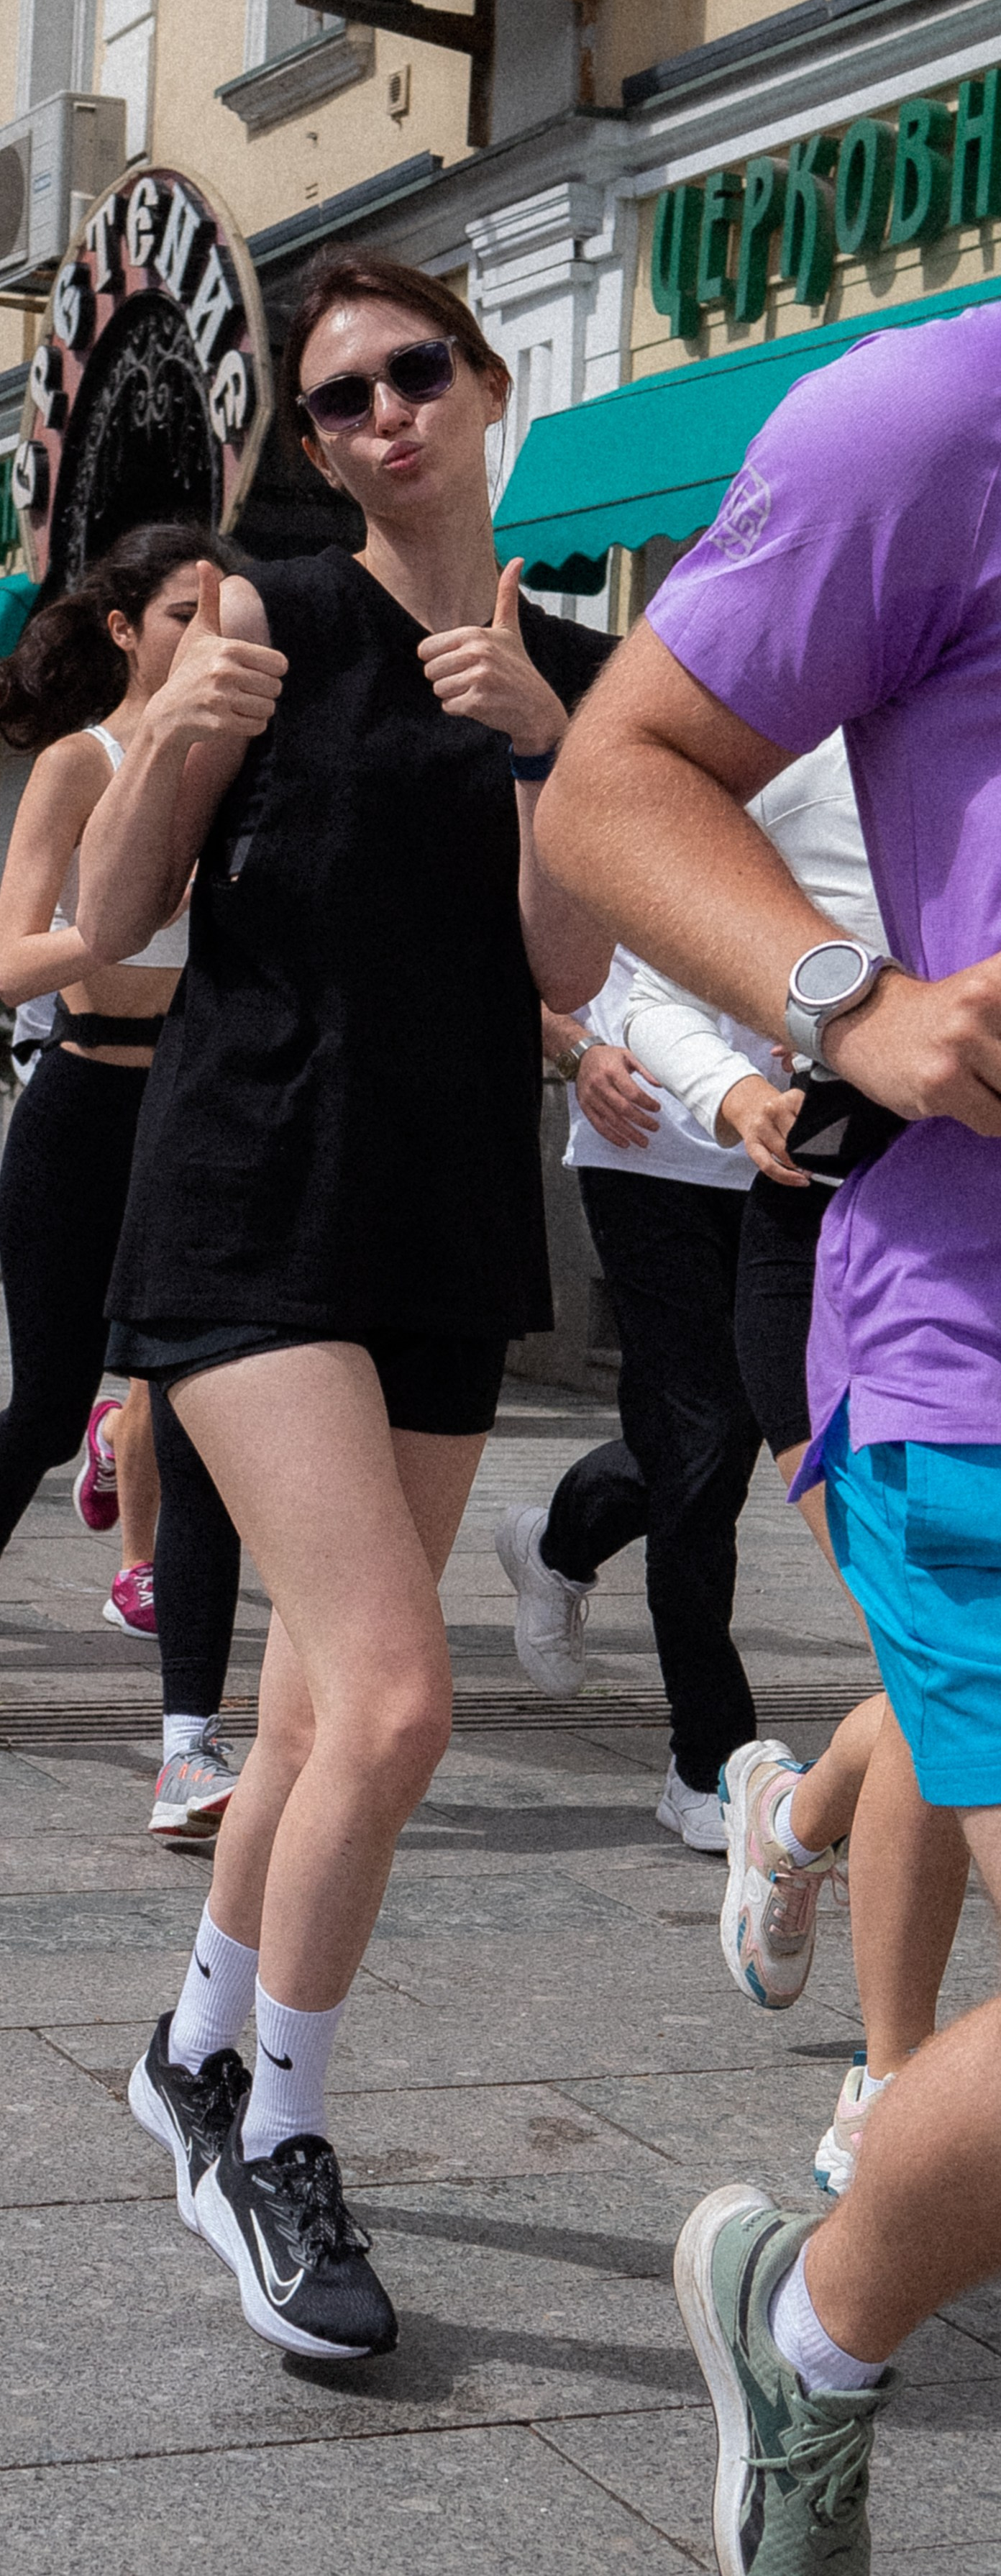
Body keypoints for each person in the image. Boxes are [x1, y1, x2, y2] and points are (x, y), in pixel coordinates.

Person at [78, 251, 613, 2359]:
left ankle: (191, 2046)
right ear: (310, 445)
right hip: (241, 1201)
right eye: (336, 402)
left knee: (313, 1710)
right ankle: (268, 2136)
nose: (381, 416)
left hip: (441, 1218)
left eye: (413, 376)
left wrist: (558, 751)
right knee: (393, 1698)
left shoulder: (563, 664)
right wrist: (159, 752)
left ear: (484, 388)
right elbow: (113, 928)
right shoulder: (266, 622)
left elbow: (566, 973)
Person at [540, 300, 1001, 2573]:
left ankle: (803, 2324)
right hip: (964, 1345)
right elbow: (610, 781)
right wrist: (849, 1005)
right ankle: (812, 2302)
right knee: (686, 1464)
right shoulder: (933, 414)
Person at [621, 734, 970, 2201]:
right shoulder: (804, 724)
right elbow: (639, 965)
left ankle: (799, 1813)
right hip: (847, 1234)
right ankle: (890, 2080)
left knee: (945, 1681)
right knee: (948, 1673)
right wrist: (730, 1094)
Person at [0, 524, 245, 1832]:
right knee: (53, 1407)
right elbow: (8, 971)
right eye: (185, 615)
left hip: (206, 1111)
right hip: (80, 1103)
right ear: (126, 629)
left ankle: (189, 1743)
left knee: (199, 1418)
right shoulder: (80, 758)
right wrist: (108, 930)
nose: (209, 637)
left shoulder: (246, 764)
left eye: (226, 616)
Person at [497, 945, 767, 1849]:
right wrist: (574, 1046)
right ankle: (708, 1761)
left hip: (791, 1150)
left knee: (718, 1434)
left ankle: (558, 1541)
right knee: (704, 1437)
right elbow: (501, 935)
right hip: (644, 1144)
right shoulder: (582, 797)